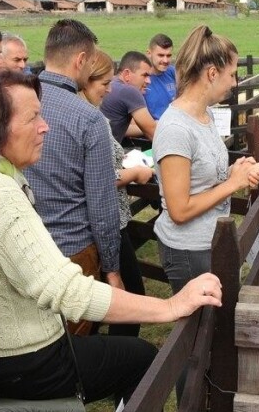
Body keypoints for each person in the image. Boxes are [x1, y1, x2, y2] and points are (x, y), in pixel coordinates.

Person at [0, 69, 222, 409]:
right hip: (23, 360)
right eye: (33, 118)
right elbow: (67, 291)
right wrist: (170, 305)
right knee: (143, 359)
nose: (44, 126)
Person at [23, 19, 123, 335]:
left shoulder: (16, 102)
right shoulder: (88, 118)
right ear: (80, 60)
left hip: (26, 246)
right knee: (76, 342)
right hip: (74, 251)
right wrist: (112, 267)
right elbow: (102, 205)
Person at [153, 25, 259, 294]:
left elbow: (200, 178)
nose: (235, 83)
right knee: (203, 331)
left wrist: (231, 172)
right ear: (212, 73)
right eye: (232, 74)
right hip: (189, 251)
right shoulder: (175, 130)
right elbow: (179, 210)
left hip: (210, 241)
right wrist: (232, 184)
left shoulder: (207, 115)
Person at [81, 50, 152, 337]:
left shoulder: (92, 115)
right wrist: (133, 173)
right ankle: (123, 365)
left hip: (107, 220)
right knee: (130, 294)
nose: (110, 90)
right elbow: (97, 180)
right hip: (108, 221)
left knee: (101, 297)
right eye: (103, 84)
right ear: (85, 81)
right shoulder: (89, 120)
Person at [99, 50, 156, 143]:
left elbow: (119, 129)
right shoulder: (129, 91)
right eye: (145, 75)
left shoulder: (113, 83)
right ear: (126, 74)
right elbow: (154, 134)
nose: (149, 81)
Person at [143, 33, 176, 120]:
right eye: (161, 55)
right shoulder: (141, 78)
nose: (165, 60)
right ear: (149, 53)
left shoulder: (173, 72)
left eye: (168, 56)